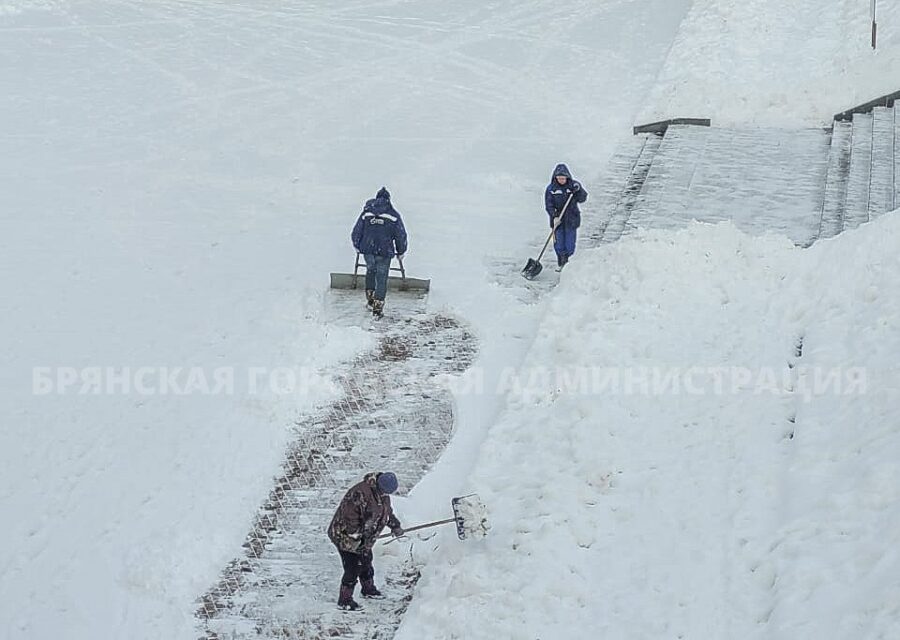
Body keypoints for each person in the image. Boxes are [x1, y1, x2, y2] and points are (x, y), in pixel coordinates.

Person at [327, 471, 404, 611]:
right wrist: (357, 536)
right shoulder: (360, 493)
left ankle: (368, 589)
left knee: (366, 559)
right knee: (353, 565)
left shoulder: (382, 495)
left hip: (363, 537)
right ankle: (344, 600)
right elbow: (349, 517)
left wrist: (395, 525)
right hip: (344, 535)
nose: (386, 495)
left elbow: (386, 512)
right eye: (385, 492)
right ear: (379, 486)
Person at [351, 187, 408, 318]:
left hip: (368, 249)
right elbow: (400, 235)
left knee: (371, 270)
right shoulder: (393, 215)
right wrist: (401, 251)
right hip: (384, 250)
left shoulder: (366, 213)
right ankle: (378, 305)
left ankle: (370, 297)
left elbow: (357, 231)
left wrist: (357, 245)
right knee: (382, 276)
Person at [544, 164, 588, 270]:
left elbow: (582, 198)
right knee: (559, 243)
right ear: (555, 178)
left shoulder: (572, 187)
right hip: (557, 221)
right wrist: (554, 216)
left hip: (571, 220)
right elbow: (548, 205)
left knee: (569, 243)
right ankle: (561, 260)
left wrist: (579, 189)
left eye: (563, 178)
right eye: (559, 178)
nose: (561, 180)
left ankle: (568, 262)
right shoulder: (551, 189)